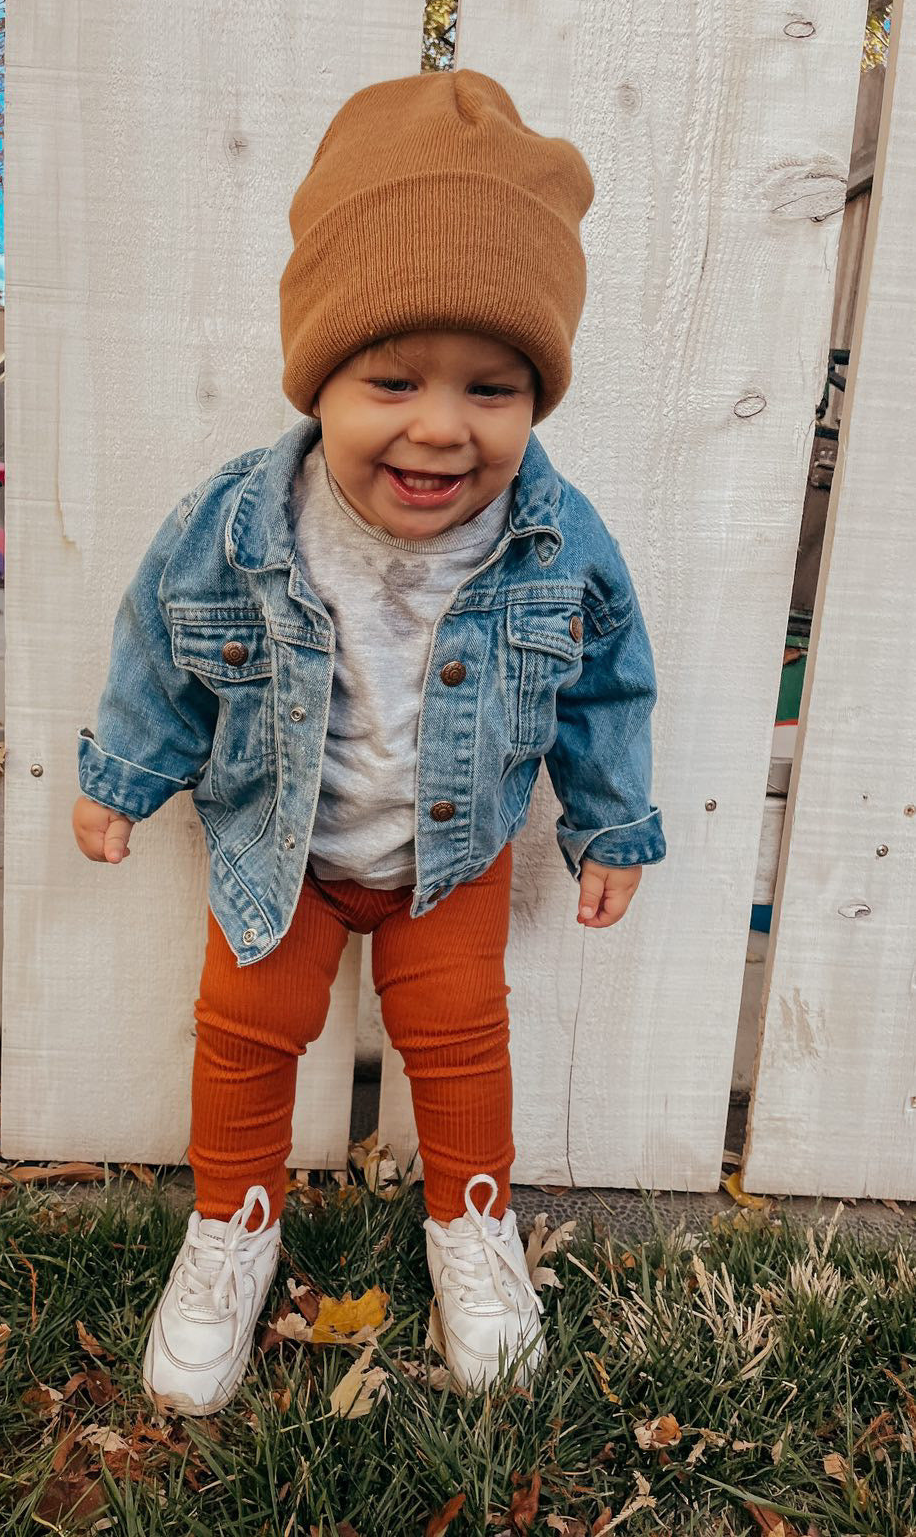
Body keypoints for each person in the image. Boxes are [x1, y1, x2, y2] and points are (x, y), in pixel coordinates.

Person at [71, 69, 665, 1416]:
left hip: (441, 865)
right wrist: (124, 774)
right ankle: (231, 1222)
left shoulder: (555, 541)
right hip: (276, 856)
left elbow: (605, 683)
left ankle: (469, 1221)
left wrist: (609, 822)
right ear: (319, 373)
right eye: (390, 377)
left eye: (494, 389)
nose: (441, 426)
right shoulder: (236, 523)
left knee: (459, 1039)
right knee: (244, 1031)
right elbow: (160, 644)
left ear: (536, 398)